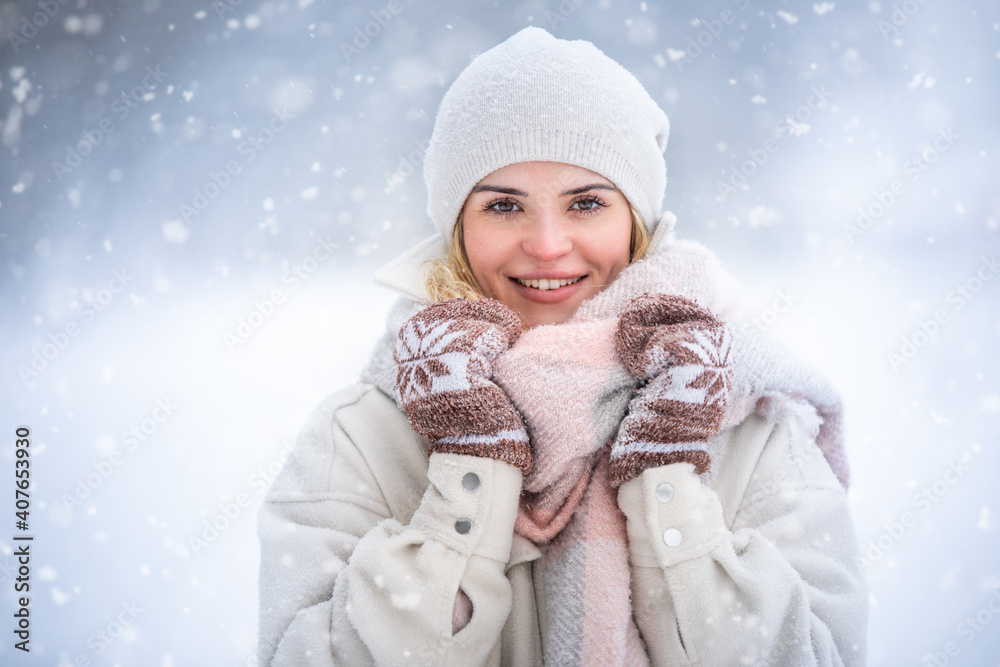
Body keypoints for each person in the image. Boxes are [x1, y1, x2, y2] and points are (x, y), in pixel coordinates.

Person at [257, 27, 867, 666]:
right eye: (503, 206)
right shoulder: (358, 437)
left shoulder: (747, 424)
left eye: (585, 203)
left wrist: (667, 482)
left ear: (636, 222)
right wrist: (471, 473)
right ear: (456, 230)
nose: (547, 245)